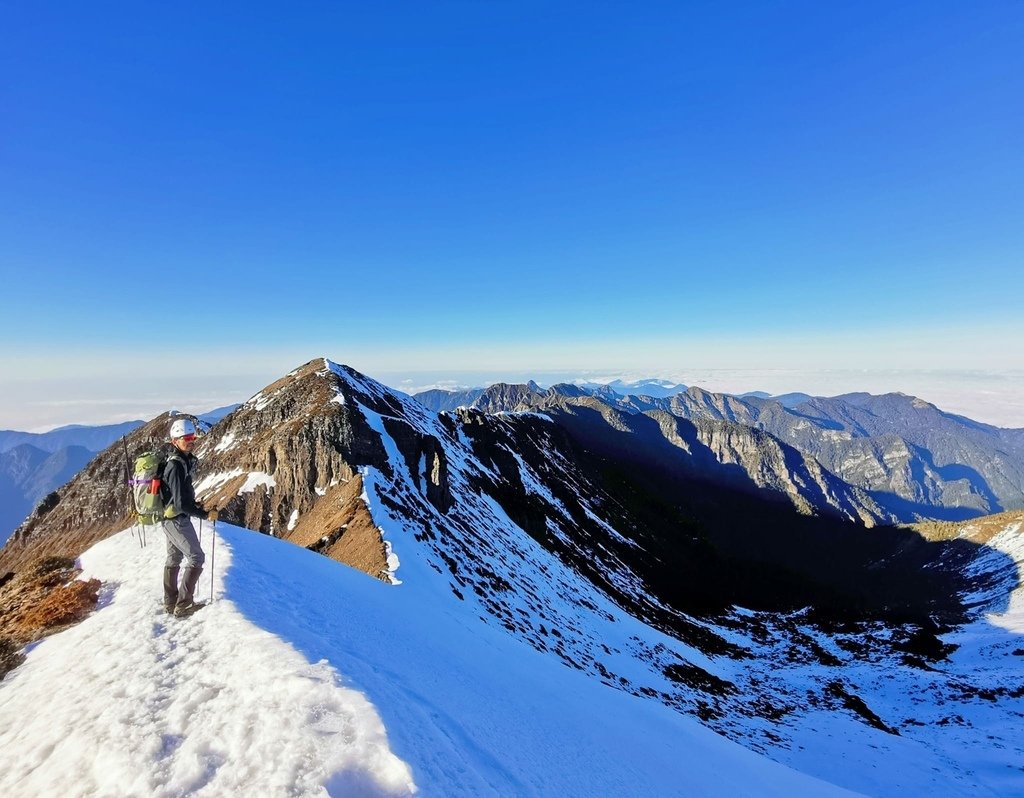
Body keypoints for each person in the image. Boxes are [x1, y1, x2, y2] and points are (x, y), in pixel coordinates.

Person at [160, 417, 218, 617]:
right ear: (175, 441)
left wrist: (194, 505)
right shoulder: (176, 466)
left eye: (192, 437)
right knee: (196, 557)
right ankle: (183, 604)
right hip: (176, 519)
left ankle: (170, 602)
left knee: (174, 558)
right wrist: (203, 514)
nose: (191, 441)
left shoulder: (180, 461)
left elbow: (180, 498)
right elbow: (179, 503)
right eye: (186, 438)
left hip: (170, 518)